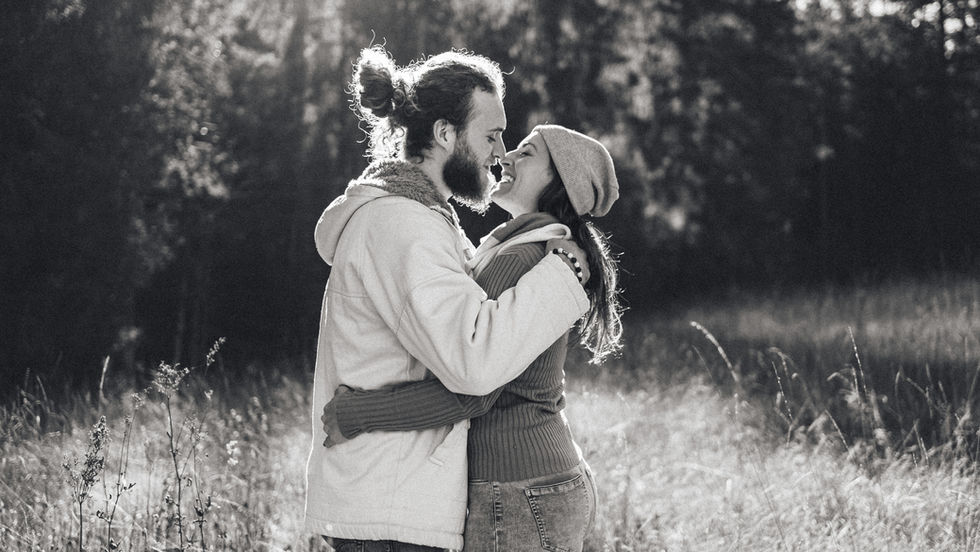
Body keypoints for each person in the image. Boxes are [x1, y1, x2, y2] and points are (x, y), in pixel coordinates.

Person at [304, 46, 594, 552]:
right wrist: (562, 279)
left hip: (397, 500)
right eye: (491, 135)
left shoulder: (420, 221)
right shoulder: (403, 226)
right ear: (444, 134)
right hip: (392, 509)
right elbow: (475, 361)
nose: (500, 153)